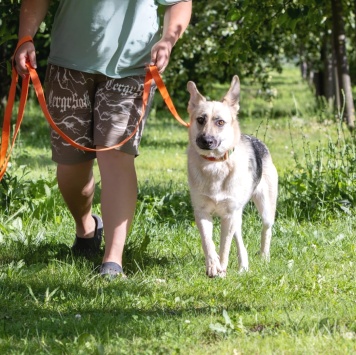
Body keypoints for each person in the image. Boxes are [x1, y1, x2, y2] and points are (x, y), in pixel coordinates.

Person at [15, 0, 192, 278]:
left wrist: (168, 40)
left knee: (115, 155)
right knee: (71, 166)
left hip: (132, 67)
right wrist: (26, 37)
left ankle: (113, 260)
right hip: (69, 63)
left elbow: (180, 2)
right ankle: (86, 228)